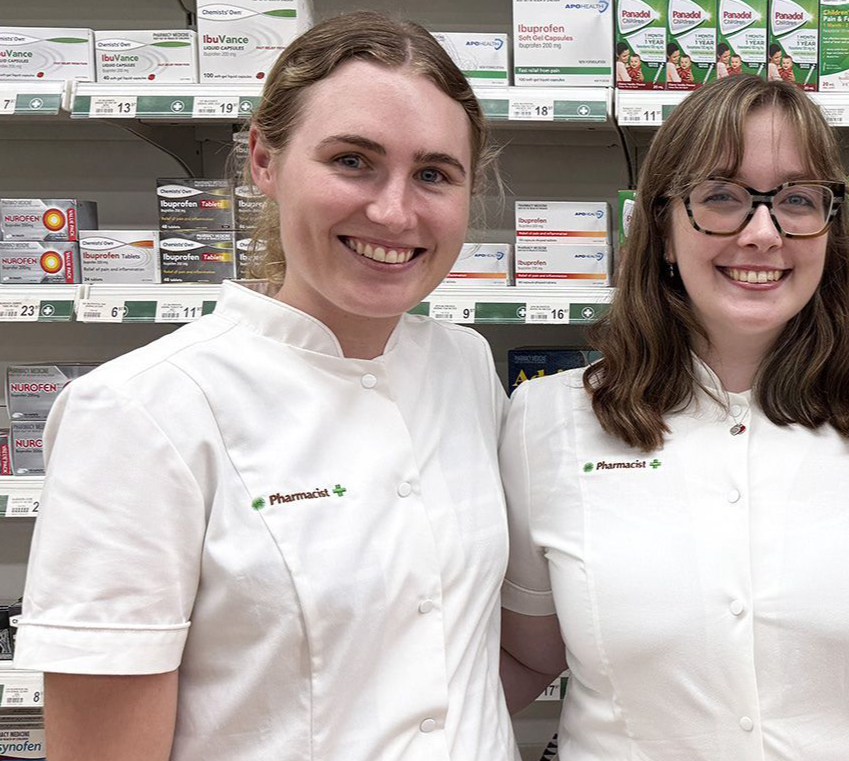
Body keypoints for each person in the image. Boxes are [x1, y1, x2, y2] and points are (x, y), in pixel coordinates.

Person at [14, 12, 519, 761]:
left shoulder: (465, 367)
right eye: (352, 160)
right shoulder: (142, 411)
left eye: (434, 174)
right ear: (263, 160)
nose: (393, 211)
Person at [498, 75, 849, 759]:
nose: (762, 233)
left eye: (798, 200)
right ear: (662, 229)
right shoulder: (548, 422)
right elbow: (526, 657)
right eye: (721, 196)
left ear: (829, 229)